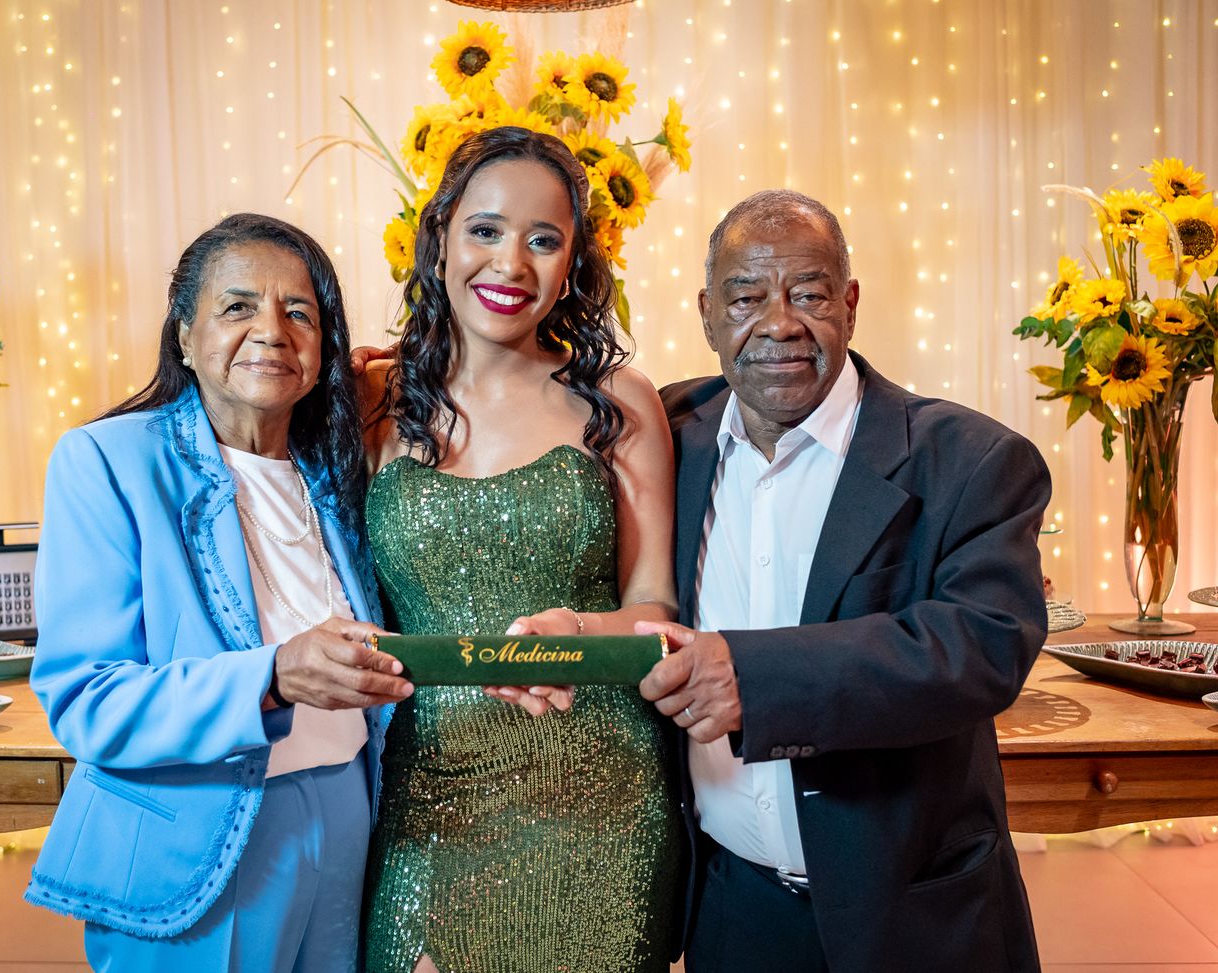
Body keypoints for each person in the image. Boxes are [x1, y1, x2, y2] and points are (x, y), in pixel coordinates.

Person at [638, 189, 1048, 972]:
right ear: (707, 315)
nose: (779, 323)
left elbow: (984, 644)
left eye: (809, 293)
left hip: (915, 918)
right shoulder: (668, 433)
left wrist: (753, 677)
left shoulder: (971, 460)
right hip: (731, 911)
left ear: (850, 305)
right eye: (746, 297)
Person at [24, 213, 413, 972]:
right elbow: (86, 699)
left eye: (300, 313)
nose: (271, 331)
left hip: (347, 820)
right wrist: (273, 676)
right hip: (195, 831)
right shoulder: (107, 460)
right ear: (183, 335)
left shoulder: (338, 472)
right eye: (238, 306)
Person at [359, 126, 685, 973]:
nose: (510, 263)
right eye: (486, 230)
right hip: (433, 796)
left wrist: (577, 630)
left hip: (599, 790)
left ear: (573, 263)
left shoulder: (619, 400)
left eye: (544, 240)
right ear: (440, 238)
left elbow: (655, 607)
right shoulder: (370, 400)